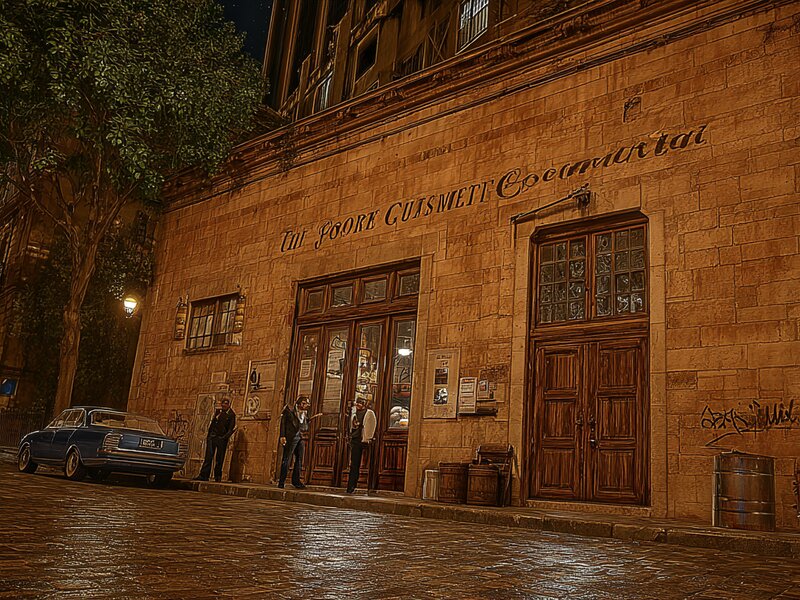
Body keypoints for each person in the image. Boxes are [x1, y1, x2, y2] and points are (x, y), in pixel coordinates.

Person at [278, 396, 320, 489]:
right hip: (290, 437)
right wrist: (282, 436)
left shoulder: (304, 412)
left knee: (299, 459)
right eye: (306, 403)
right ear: (301, 403)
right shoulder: (289, 410)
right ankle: (281, 481)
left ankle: (296, 481)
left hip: (300, 436)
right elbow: (283, 423)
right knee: (287, 459)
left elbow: (302, 424)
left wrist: (311, 419)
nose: (308, 405)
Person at [195, 398, 236, 482]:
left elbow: (231, 429)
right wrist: (209, 435)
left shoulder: (231, 415)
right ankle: (204, 475)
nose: (223, 406)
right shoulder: (219, 412)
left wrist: (224, 438)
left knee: (219, 458)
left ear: (228, 405)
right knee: (208, 456)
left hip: (221, 438)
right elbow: (213, 423)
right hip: (213, 436)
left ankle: (217, 476)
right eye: (222, 404)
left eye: (225, 404)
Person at [346, 396, 376, 494]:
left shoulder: (369, 413)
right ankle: (351, 486)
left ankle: (370, 486)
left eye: (361, 403)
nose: (358, 405)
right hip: (355, 439)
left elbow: (371, 425)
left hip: (365, 439)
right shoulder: (353, 413)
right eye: (357, 403)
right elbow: (351, 425)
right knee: (354, 464)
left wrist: (368, 437)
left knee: (370, 463)